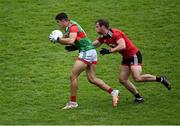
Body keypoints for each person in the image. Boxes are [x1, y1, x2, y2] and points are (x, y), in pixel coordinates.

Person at [48, 13, 119, 109]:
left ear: (64, 20)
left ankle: (73, 103)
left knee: (73, 76)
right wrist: (62, 42)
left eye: (58, 22)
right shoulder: (69, 28)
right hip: (90, 51)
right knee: (92, 79)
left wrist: (58, 39)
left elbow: (71, 40)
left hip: (87, 52)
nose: (58, 25)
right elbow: (74, 41)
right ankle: (113, 92)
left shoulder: (72, 27)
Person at [92, 19, 171, 103]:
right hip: (126, 58)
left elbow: (122, 46)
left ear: (103, 27)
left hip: (134, 55)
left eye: (97, 26)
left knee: (137, 78)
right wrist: (81, 46)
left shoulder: (115, 33)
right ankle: (138, 97)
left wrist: (109, 51)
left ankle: (161, 79)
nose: (95, 28)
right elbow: (94, 44)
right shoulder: (103, 37)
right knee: (122, 79)